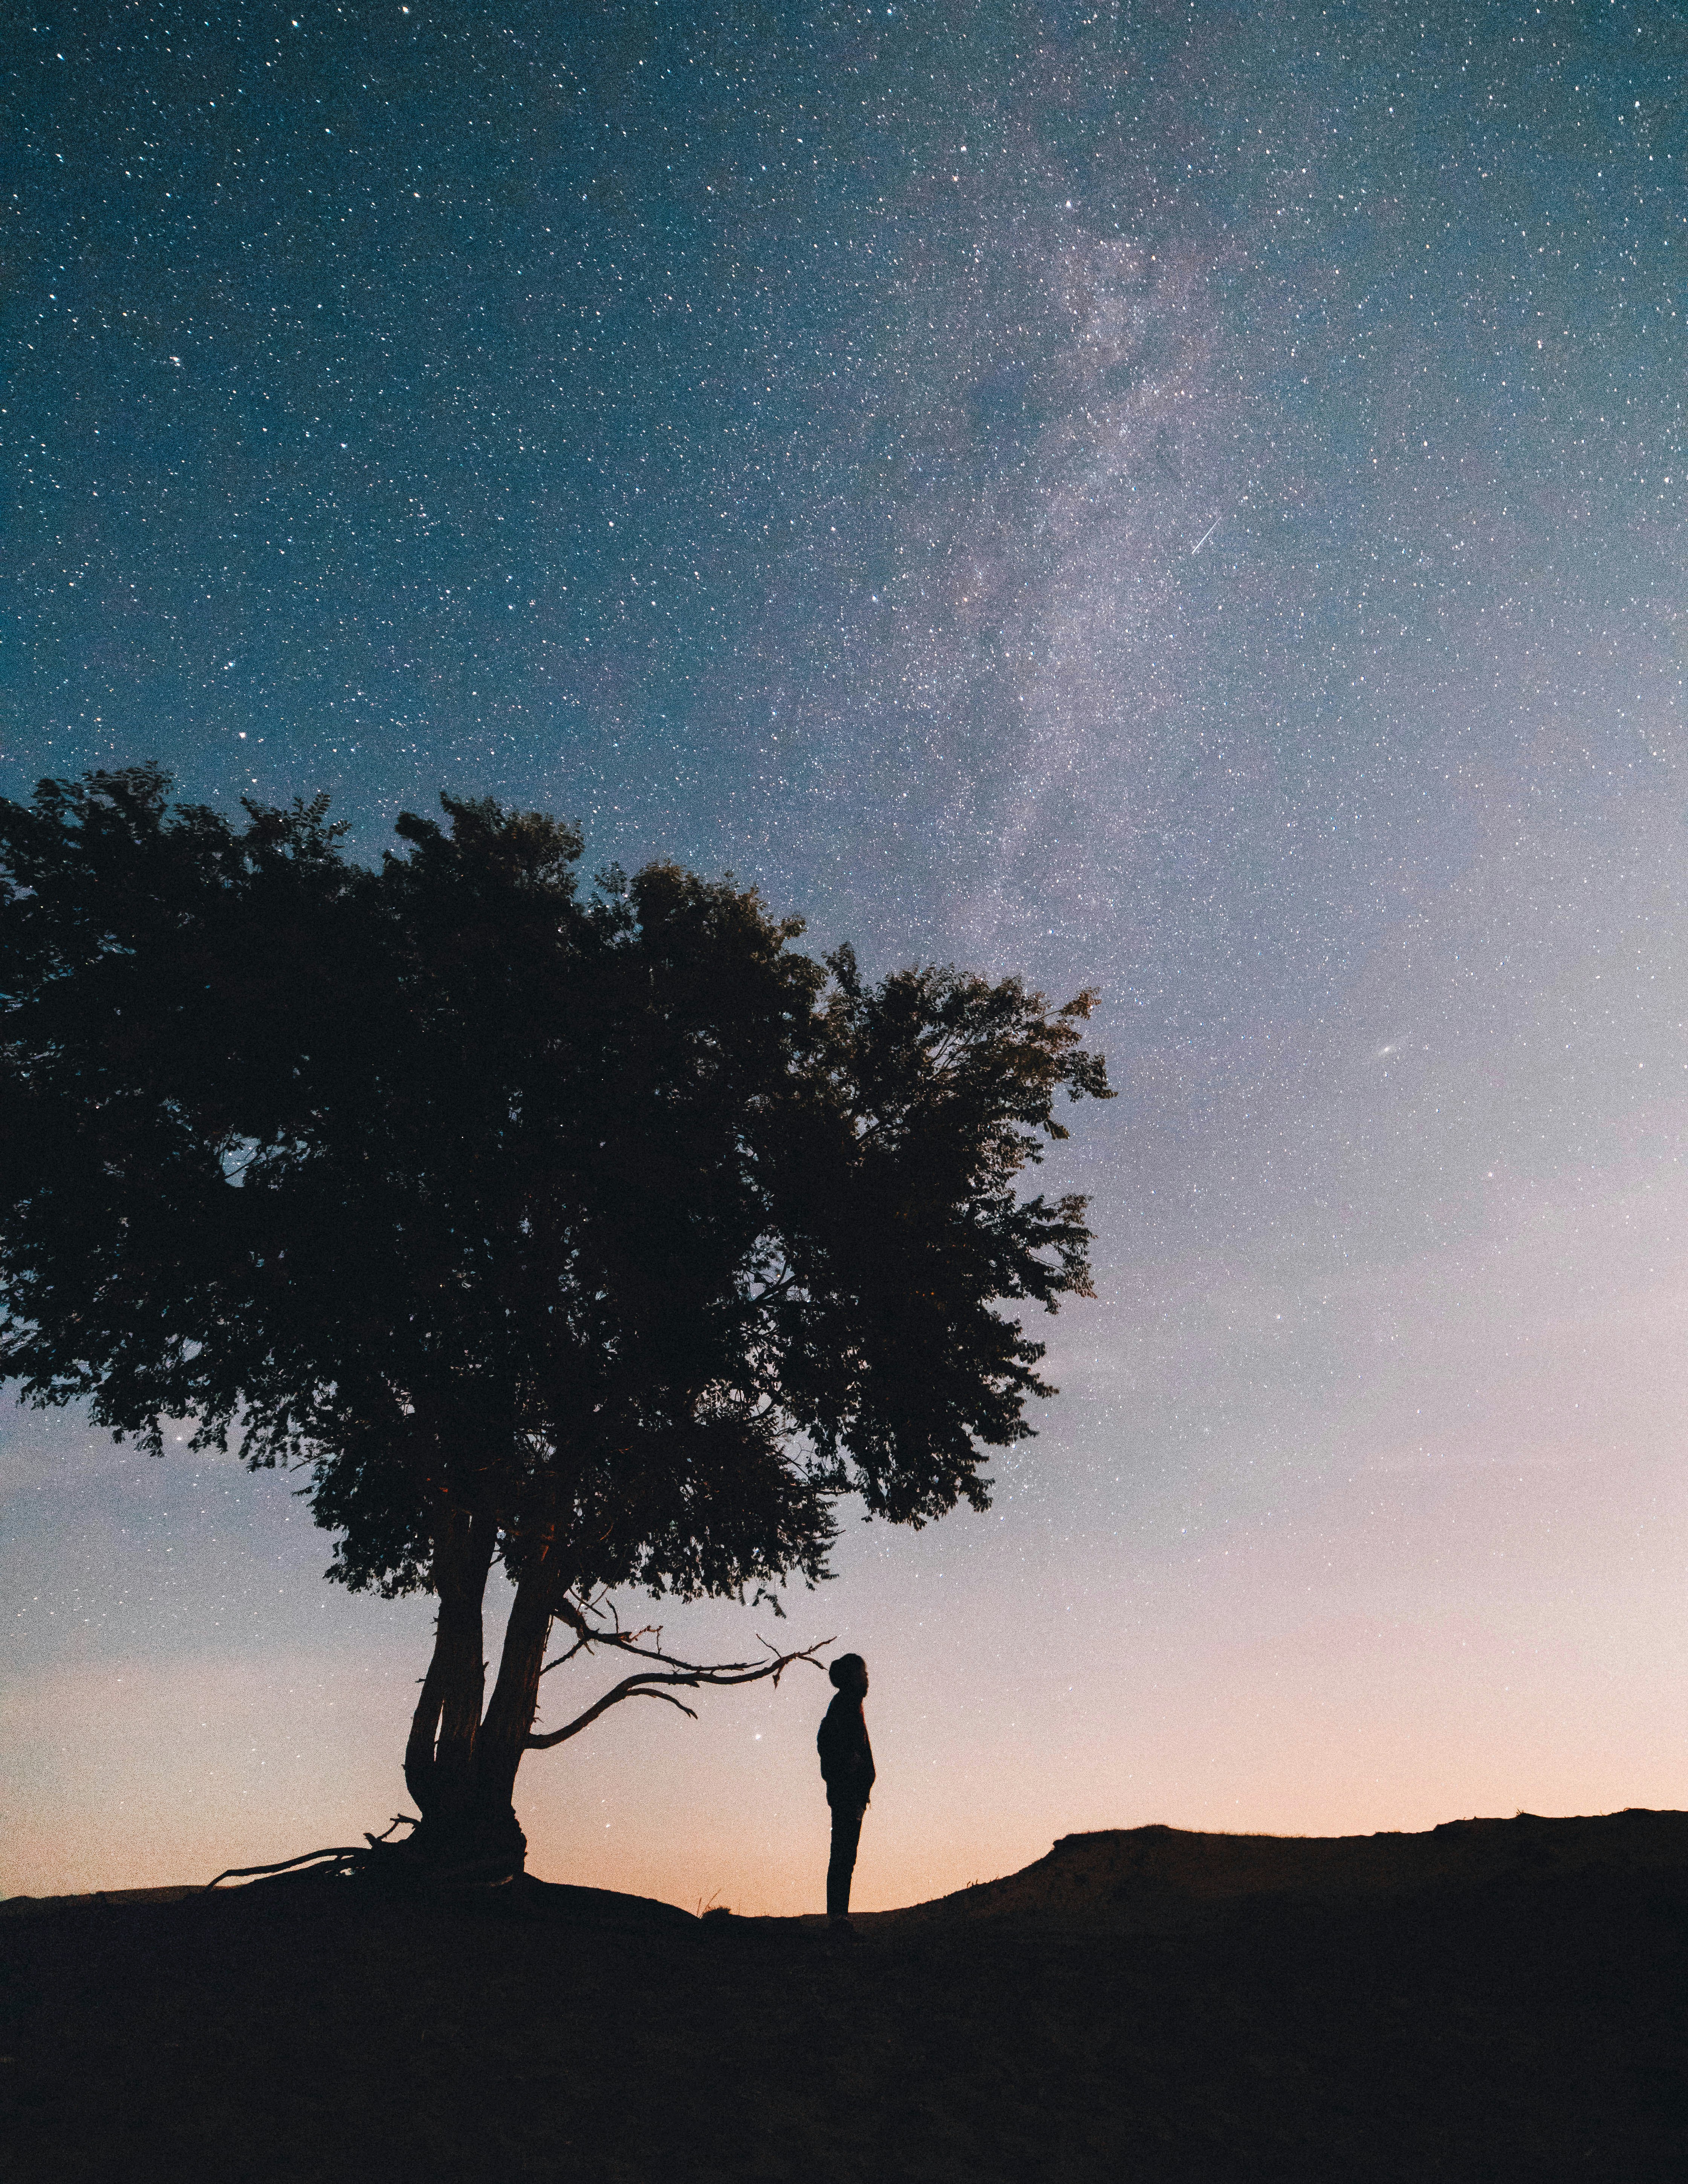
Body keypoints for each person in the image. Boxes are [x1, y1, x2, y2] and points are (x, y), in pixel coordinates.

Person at [817, 1653, 874, 1929]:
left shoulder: (850, 1705)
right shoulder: (844, 1706)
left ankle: (839, 1916)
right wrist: (847, 1765)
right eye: (863, 1673)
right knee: (843, 1855)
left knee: (845, 1855)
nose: (867, 1678)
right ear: (853, 1677)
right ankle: (838, 1918)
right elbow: (826, 1742)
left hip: (852, 1794)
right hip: (847, 1794)